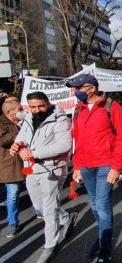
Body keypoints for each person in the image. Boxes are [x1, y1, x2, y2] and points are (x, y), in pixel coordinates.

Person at [66, 74, 122, 263]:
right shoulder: (78, 110)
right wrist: (77, 166)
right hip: (86, 166)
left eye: (78, 88)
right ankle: (104, 236)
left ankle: (105, 248)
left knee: (102, 206)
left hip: (106, 165)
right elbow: (78, 140)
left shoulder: (112, 107)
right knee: (94, 205)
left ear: (91, 88)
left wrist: (116, 167)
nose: (75, 92)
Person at [9, 91, 77, 263]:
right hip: (31, 169)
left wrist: (35, 153)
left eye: (41, 106)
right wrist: (17, 145)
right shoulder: (28, 118)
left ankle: (50, 246)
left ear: (48, 104)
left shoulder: (60, 119)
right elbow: (22, 137)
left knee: (48, 210)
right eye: (33, 107)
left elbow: (65, 144)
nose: (37, 110)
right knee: (40, 206)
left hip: (51, 169)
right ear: (28, 107)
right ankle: (67, 218)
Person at [0, 99, 24, 238]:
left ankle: (40, 212)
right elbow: (2, 140)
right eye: (19, 109)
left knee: (36, 190)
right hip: (11, 165)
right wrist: (20, 131)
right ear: (9, 112)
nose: (22, 111)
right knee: (13, 195)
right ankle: (12, 223)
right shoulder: (2, 123)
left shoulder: (22, 121)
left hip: (27, 162)